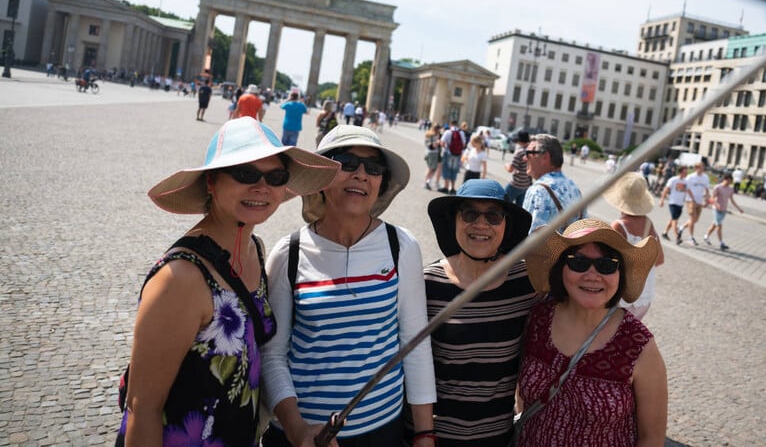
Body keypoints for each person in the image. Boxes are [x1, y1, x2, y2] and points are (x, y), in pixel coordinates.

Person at [116, 117, 339, 445]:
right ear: (211, 182)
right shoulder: (181, 278)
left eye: (275, 177)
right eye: (245, 174)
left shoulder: (256, 251)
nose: (261, 188)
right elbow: (142, 409)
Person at [261, 125, 437, 447]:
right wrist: (295, 427)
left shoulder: (402, 246)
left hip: (381, 430)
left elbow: (414, 343)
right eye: (346, 162)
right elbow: (272, 355)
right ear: (322, 177)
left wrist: (424, 434)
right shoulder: (289, 252)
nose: (361, 174)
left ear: (381, 182)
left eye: (373, 168)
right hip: (301, 436)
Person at [518, 218, 667, 446]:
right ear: (561, 268)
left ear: (620, 274)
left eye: (606, 265)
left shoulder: (638, 345)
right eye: (578, 262)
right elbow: (523, 400)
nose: (592, 275)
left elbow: (652, 439)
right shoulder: (537, 319)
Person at [423, 179, 538, 446]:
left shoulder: (527, 282)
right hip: (435, 437)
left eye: (494, 216)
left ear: (506, 225)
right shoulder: (428, 283)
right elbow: (414, 369)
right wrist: (423, 434)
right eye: (470, 213)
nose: (481, 224)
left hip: (497, 438)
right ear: (455, 221)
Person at [603, 172, 665, 319]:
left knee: (611, 335)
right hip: (644, 295)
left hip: (623, 296)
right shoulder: (648, 224)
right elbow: (659, 259)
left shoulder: (619, 226)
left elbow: (607, 263)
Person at [522, 134, 586, 232]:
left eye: (528, 153)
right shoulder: (574, 188)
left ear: (545, 157)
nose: (524, 158)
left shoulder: (538, 191)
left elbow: (529, 240)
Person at [703, 174, 744, 251]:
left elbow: (732, 200)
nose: (729, 182)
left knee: (714, 224)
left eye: (730, 181)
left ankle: (706, 236)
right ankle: (721, 243)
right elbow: (712, 198)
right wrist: (716, 204)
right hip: (716, 209)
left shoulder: (730, 189)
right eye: (728, 180)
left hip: (724, 210)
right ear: (724, 179)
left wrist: (739, 209)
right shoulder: (717, 187)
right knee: (719, 225)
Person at [678, 162, 711, 246]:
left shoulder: (705, 177)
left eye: (703, 167)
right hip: (690, 200)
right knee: (692, 218)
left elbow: (707, 189)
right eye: (701, 167)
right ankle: (691, 238)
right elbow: (685, 188)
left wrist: (707, 200)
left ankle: (681, 228)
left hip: (699, 200)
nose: (702, 169)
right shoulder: (690, 177)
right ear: (696, 168)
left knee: (696, 220)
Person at [658, 165, 689, 242]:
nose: (686, 174)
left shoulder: (685, 181)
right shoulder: (673, 180)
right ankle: (677, 237)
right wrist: (661, 200)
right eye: (685, 172)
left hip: (680, 204)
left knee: (673, 219)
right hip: (673, 203)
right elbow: (666, 190)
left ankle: (665, 233)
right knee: (675, 220)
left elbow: (687, 192)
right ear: (680, 172)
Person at [504, 130, 532, 207]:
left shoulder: (520, 152)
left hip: (516, 184)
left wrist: (506, 165)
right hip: (526, 185)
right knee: (519, 208)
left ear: (519, 140)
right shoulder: (532, 151)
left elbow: (510, 169)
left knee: (502, 203)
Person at [439, 120, 466, 194]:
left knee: (447, 169)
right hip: (457, 154)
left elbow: (442, 143)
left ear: (451, 124)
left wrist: (446, 148)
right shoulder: (461, 132)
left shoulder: (448, 132)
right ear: (457, 125)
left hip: (448, 153)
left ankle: (446, 187)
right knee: (454, 170)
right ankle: (453, 188)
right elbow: (464, 145)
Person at [422, 124, 442, 190]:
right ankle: (427, 182)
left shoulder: (428, 134)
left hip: (427, 152)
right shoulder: (435, 135)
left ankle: (426, 182)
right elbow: (434, 146)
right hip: (433, 153)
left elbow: (426, 143)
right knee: (432, 169)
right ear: (437, 129)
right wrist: (438, 142)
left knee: (429, 168)